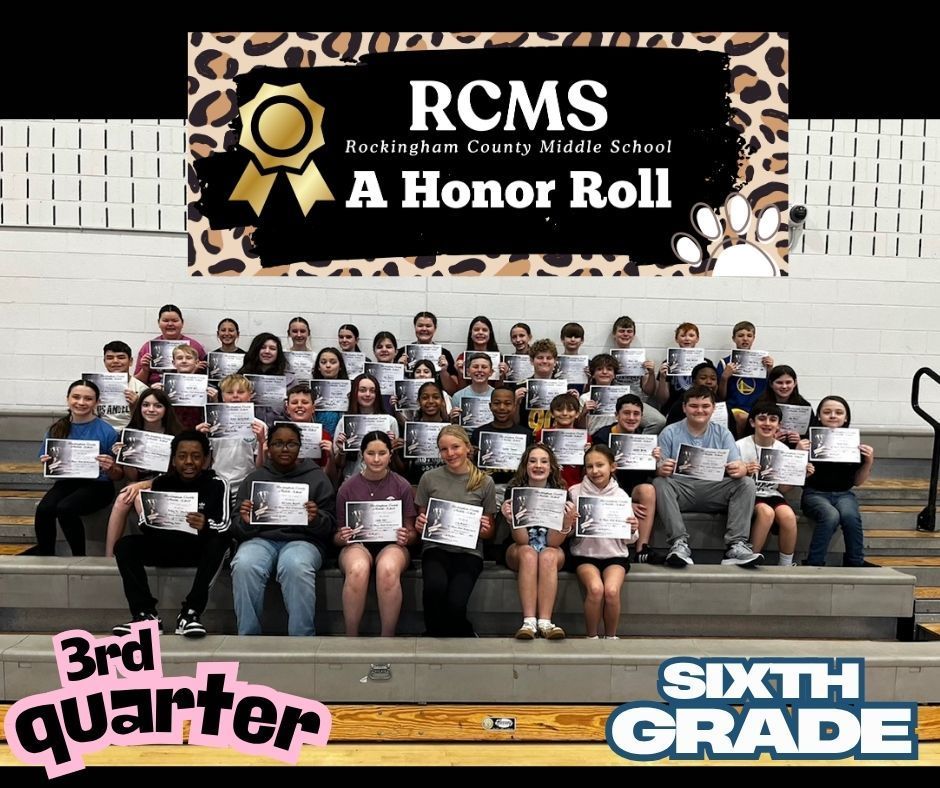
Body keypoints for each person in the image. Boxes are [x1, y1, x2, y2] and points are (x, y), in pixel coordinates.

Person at [112, 431, 231, 638]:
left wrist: (204, 524)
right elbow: (145, 524)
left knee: (221, 543)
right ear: (173, 459)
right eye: (182, 456)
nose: (189, 462)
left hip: (199, 548)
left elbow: (224, 525)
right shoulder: (160, 483)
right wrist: (152, 521)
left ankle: (190, 614)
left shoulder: (217, 484)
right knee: (125, 545)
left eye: (196, 456)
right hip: (166, 546)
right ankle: (145, 615)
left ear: (205, 459)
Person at [231, 423, 336, 636]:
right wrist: (245, 520)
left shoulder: (317, 478)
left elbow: (330, 527)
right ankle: (248, 637)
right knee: (244, 564)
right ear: (268, 446)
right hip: (260, 539)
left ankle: (302, 639)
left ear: (300, 447)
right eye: (278, 443)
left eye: (291, 444)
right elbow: (236, 528)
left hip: (304, 541)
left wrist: (316, 519)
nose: (285, 449)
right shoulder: (254, 478)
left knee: (295, 565)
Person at [654, 386, 761, 568]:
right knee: (659, 482)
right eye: (694, 406)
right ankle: (679, 544)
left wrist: (740, 469)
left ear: (713, 408)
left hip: (714, 490)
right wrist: (661, 469)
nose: (700, 410)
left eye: (705, 406)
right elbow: (658, 468)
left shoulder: (723, 433)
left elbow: (738, 465)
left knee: (746, 483)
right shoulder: (669, 432)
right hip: (681, 490)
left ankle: (735, 546)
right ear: (684, 408)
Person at [415, 426, 498, 637]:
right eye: (444, 449)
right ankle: (433, 636)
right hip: (436, 547)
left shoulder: (484, 482)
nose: (450, 454)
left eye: (455, 447)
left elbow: (489, 533)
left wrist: (484, 529)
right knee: (435, 587)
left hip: (469, 552)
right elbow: (422, 520)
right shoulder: (429, 478)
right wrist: (420, 523)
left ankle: (463, 633)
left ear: (467, 448)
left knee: (455, 603)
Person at [334, 431, 417, 636]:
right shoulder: (347, 487)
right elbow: (336, 537)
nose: (377, 459)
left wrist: (407, 536)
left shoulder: (402, 486)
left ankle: (386, 638)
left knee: (388, 569)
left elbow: (412, 532)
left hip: (392, 545)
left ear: (390, 454)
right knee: (358, 568)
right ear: (362, 455)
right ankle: (351, 637)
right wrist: (342, 537)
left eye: (382, 453)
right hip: (357, 545)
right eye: (371, 453)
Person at [35, 380, 121, 555]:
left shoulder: (107, 431)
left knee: (66, 508)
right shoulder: (57, 429)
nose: (81, 402)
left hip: (99, 485)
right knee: (44, 509)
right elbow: (50, 471)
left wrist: (110, 467)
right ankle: (45, 555)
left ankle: (79, 558)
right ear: (67, 399)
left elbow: (119, 475)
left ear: (97, 402)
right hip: (68, 483)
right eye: (76, 397)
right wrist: (48, 464)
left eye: (88, 398)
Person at [501, 444, 576, 639]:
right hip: (519, 546)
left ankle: (545, 622)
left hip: (550, 546)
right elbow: (521, 539)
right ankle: (528, 623)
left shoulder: (561, 493)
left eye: (544, 461)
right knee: (528, 552)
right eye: (532, 461)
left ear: (551, 467)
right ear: (525, 465)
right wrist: (511, 519)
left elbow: (553, 542)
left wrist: (566, 524)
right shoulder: (514, 491)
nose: (538, 465)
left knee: (548, 555)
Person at [568, 445, 638, 639]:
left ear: (612, 467)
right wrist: (571, 523)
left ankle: (611, 638)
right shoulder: (574, 493)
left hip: (614, 555)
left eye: (600, 465)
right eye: (589, 466)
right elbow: (566, 534)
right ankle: (591, 638)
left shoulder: (621, 496)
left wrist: (633, 529)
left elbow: (630, 539)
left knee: (612, 591)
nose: (595, 471)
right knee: (596, 589)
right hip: (584, 555)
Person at [105, 388, 184, 556]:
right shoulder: (129, 434)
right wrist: (125, 457)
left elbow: (178, 475)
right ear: (139, 408)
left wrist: (144, 484)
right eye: (146, 405)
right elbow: (131, 476)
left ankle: (159, 549)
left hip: (169, 483)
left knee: (142, 499)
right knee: (122, 500)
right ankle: (109, 556)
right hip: (138, 483)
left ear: (166, 409)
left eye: (158, 406)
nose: (151, 410)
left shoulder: (178, 435)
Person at [736, 403, 814, 566]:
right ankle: (750, 557)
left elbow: (783, 489)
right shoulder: (740, 446)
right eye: (762, 419)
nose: (767, 423)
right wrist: (746, 470)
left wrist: (799, 475)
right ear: (752, 423)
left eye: (773, 420)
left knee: (788, 516)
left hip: (772, 494)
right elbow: (731, 478)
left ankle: (786, 564)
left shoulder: (783, 449)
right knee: (766, 513)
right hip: (748, 494)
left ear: (778, 425)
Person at [802, 396, 874, 567]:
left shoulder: (852, 444)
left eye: (839, 412)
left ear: (846, 417)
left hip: (844, 494)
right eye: (827, 412)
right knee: (830, 515)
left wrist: (869, 461)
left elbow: (857, 482)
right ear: (819, 416)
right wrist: (799, 454)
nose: (833, 415)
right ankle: (814, 562)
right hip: (814, 493)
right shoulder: (808, 441)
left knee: (850, 516)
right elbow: (796, 477)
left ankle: (855, 561)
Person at [589, 394, 659, 562]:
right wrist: (625, 504)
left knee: (648, 490)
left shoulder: (644, 439)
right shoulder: (602, 437)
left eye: (636, 414)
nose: (631, 417)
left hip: (632, 491)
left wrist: (656, 462)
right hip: (606, 491)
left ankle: (642, 549)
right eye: (626, 413)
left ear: (642, 417)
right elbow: (597, 478)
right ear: (616, 415)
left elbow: (648, 476)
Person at [716, 321, 774, 437]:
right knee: (740, 417)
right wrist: (724, 378)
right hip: (733, 407)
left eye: (749, 335)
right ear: (734, 338)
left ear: (754, 338)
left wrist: (770, 371)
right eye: (740, 335)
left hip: (757, 408)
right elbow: (720, 397)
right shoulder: (724, 363)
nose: (745, 339)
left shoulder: (763, 362)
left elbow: (772, 390)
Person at [134, 304, 207, 385]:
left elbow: (205, 380)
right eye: (165, 320)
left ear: (182, 323)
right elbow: (137, 383)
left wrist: (195, 370)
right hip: (155, 392)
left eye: (175, 320)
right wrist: (145, 370)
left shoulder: (195, 346)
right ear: (158, 323)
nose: (170, 324)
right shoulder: (148, 347)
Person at [398, 311, 460, 395]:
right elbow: (394, 387)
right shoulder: (403, 352)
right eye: (420, 326)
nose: (424, 329)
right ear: (415, 327)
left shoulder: (444, 354)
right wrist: (400, 368)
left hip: (435, 403)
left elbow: (452, 391)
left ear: (435, 328)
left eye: (428, 326)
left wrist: (443, 371)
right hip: (410, 404)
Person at [95, 340, 149, 429]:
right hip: (102, 433)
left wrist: (136, 405)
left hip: (129, 432)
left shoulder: (142, 389)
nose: (115, 361)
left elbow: (149, 422)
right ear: (104, 362)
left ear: (130, 361)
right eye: (110, 358)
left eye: (121, 357)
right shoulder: (94, 387)